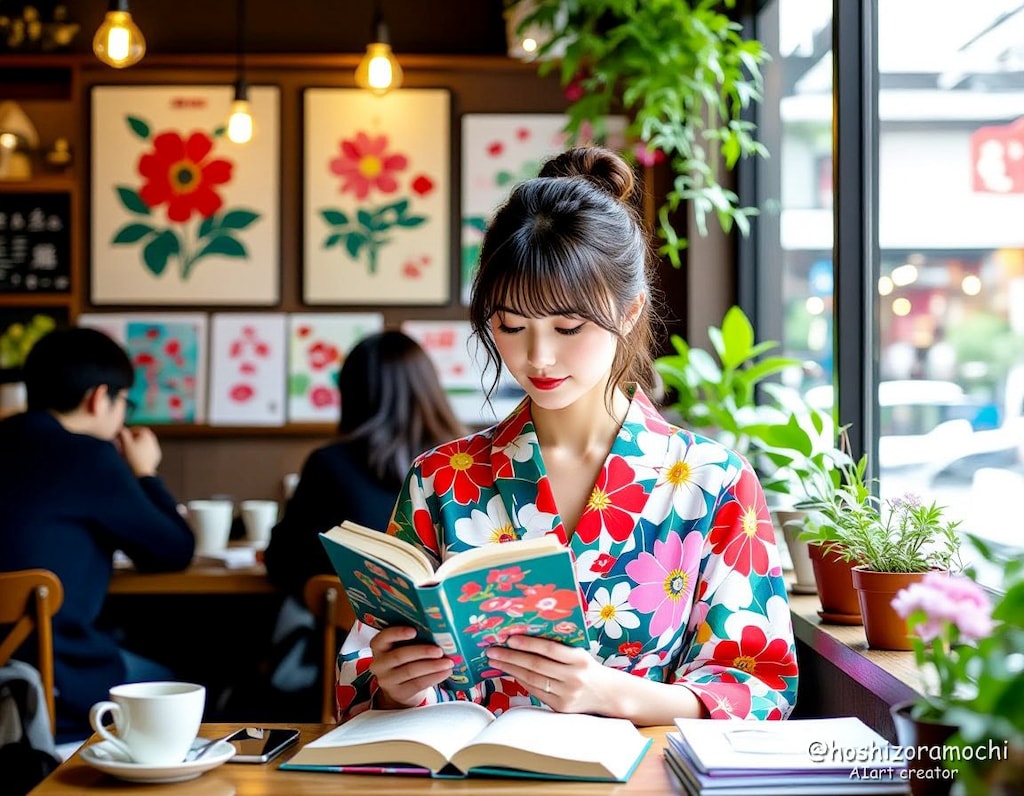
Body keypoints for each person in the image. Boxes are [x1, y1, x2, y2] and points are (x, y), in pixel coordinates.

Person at [336, 147, 798, 726]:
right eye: (511, 325)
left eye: (568, 326)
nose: (539, 356)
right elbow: (363, 672)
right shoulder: (441, 479)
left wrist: (611, 693)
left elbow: (760, 686)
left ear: (629, 311)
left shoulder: (714, 481)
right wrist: (396, 685)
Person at [0, 327, 195, 742]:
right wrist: (146, 471)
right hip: (52, 682)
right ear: (98, 397)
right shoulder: (89, 457)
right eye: (124, 400)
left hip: (15, 672)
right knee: (180, 681)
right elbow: (173, 551)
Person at [263, 330, 467, 599]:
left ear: (351, 394)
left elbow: (282, 562)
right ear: (429, 389)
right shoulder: (465, 464)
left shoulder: (329, 465)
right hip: (463, 635)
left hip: (351, 638)